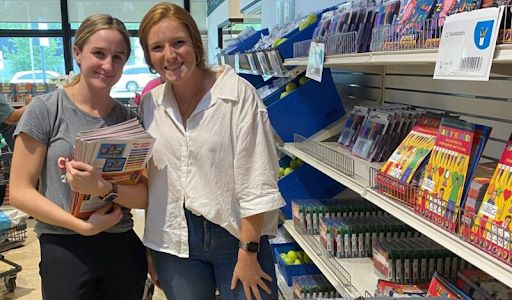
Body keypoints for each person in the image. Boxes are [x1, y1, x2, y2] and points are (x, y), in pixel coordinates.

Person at [138, 3, 285, 300]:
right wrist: (152, 250)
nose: (170, 55)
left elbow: (258, 180)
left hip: (234, 235)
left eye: (179, 42)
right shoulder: (150, 104)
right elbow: (151, 179)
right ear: (148, 56)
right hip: (174, 239)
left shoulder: (237, 95)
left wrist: (249, 251)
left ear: (195, 43)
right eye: (157, 47)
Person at [9, 14, 148, 299]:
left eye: (118, 57)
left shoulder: (129, 120)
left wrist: (103, 189)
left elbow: (144, 195)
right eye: (99, 53)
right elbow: (20, 191)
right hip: (64, 243)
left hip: (121, 243)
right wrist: (81, 227)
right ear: (77, 53)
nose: (108, 65)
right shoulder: (46, 110)